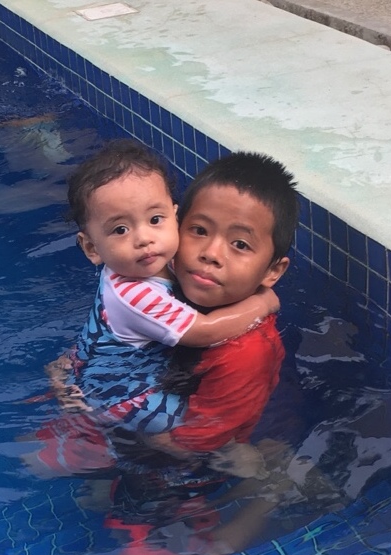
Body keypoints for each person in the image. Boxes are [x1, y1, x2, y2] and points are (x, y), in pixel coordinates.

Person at [29, 140, 283, 478]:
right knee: (179, 428)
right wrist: (262, 302)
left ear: (174, 218)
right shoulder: (136, 294)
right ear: (92, 248)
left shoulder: (144, 265)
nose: (144, 238)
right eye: (121, 229)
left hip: (99, 366)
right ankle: (210, 452)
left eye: (155, 219)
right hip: (119, 396)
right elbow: (203, 331)